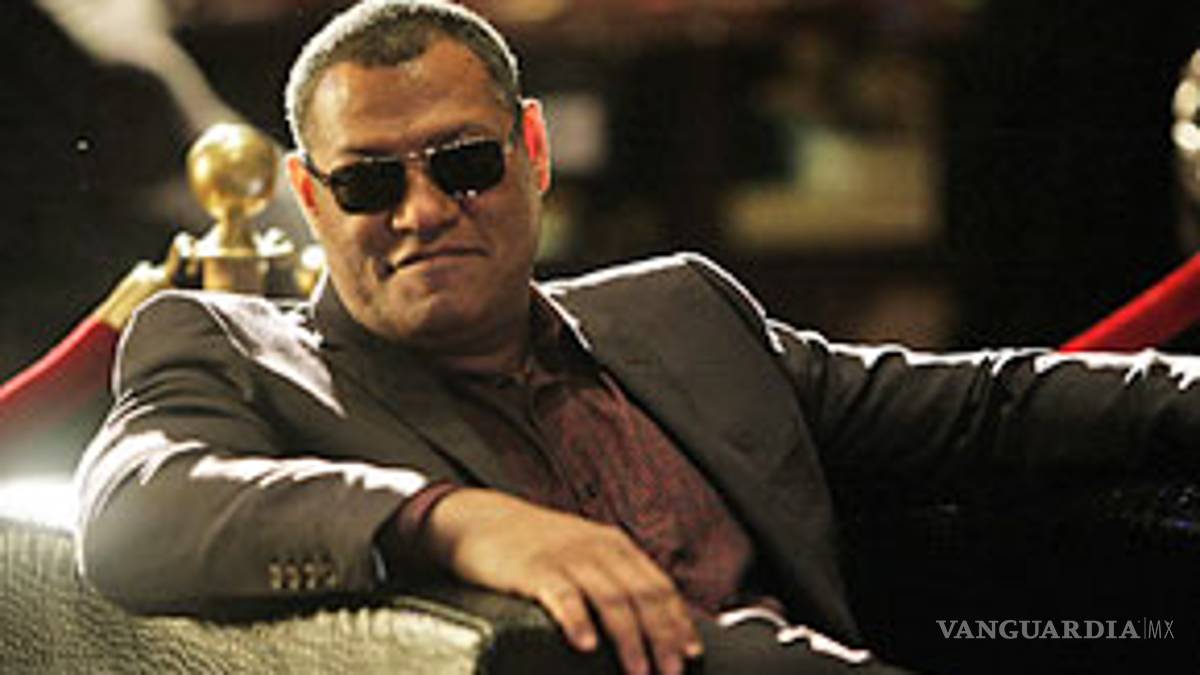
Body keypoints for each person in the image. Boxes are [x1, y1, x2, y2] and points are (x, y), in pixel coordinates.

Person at [73, 1, 1200, 673]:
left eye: (464, 165)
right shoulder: (232, 352)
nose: (421, 212)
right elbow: (131, 513)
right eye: (369, 183)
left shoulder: (676, 312)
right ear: (310, 201)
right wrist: (454, 523)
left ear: (532, 154)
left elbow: (984, 404)